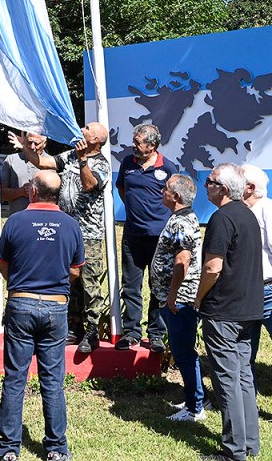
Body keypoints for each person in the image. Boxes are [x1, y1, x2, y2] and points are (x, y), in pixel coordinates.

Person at [0, 170, 85, 461]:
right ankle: (57, 448)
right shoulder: (71, 225)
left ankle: (9, 449)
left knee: (15, 379)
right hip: (56, 306)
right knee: (52, 381)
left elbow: (2, 264)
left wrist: (20, 283)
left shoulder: (16, 221)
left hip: (21, 303)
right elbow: (75, 270)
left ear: (33, 191)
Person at [22, 124, 109, 353]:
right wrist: (25, 148)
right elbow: (43, 162)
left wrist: (82, 162)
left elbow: (90, 185)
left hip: (88, 233)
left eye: (87, 128)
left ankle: (92, 331)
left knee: (89, 282)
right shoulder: (69, 155)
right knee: (68, 279)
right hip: (65, 230)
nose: (82, 128)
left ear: (96, 140)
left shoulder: (101, 163)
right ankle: (73, 327)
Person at [196, 163, 262, 461]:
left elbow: (212, 267)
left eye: (209, 181)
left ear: (222, 188)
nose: (205, 185)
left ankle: (234, 451)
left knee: (227, 380)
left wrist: (198, 299)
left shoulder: (221, 219)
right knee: (243, 376)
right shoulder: (247, 214)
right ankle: (250, 442)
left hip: (224, 310)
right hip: (247, 308)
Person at [115, 124, 176, 351]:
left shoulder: (167, 167)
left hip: (160, 238)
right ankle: (131, 333)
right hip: (132, 235)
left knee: (158, 286)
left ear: (152, 146)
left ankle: (156, 334)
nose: (133, 145)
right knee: (131, 286)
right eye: (134, 140)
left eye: (138, 142)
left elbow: (175, 198)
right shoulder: (127, 164)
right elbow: (122, 189)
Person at [150, 174, 205, 422]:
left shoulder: (181, 223)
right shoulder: (180, 218)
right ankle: (197, 397)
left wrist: (171, 296)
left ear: (176, 196)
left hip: (180, 299)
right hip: (177, 297)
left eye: (166, 189)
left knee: (183, 351)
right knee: (183, 349)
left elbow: (182, 261)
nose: (162, 191)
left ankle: (195, 408)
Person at [240, 163, 271, 381]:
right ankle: (246, 399)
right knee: (244, 349)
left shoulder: (267, 210)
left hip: (268, 291)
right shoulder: (243, 211)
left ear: (250, 187)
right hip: (246, 292)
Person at [0, 133, 44, 214]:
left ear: (44, 144)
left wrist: (35, 192)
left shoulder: (51, 163)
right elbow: (2, 193)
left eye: (36, 143)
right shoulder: (11, 160)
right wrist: (21, 192)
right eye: (29, 142)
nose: (32, 146)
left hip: (43, 219)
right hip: (18, 219)